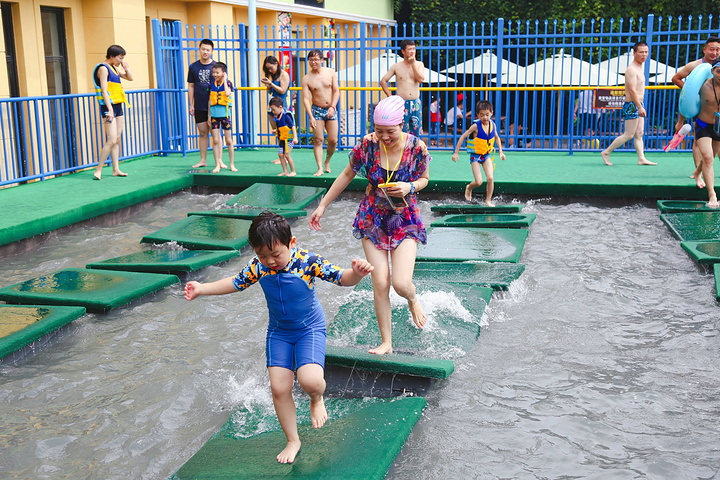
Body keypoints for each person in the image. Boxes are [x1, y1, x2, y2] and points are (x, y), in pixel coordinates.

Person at [184, 212, 373, 464]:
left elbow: (341, 278)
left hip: (309, 329)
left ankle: (317, 399)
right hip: (279, 332)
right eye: (263, 255)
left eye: (276, 255)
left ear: (291, 243)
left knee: (310, 381)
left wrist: (357, 273)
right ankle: (293, 440)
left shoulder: (307, 261)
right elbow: (235, 283)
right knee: (279, 388)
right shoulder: (258, 266)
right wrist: (201, 288)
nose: (270, 261)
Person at [309, 96, 430, 355]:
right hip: (372, 218)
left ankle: (412, 298)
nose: (384, 137)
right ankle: (387, 341)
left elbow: (425, 179)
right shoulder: (367, 145)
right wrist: (322, 205)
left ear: (402, 124)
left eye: (390, 131)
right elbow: (346, 174)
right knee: (380, 282)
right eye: (379, 131)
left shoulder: (415, 147)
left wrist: (410, 186)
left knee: (400, 283)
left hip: (404, 218)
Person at [672, 36, 720, 187]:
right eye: (711, 49)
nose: (714, 52)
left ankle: (699, 171)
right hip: (700, 108)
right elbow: (676, 78)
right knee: (698, 143)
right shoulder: (695, 66)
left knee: (711, 153)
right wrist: (695, 93)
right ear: (704, 49)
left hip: (716, 114)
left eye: (718, 49)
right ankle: (698, 176)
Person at [601, 41, 657, 166]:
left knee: (639, 133)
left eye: (646, 52)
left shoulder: (639, 67)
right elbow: (632, 90)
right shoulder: (631, 69)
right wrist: (639, 106)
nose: (644, 55)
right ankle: (606, 152)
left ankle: (641, 158)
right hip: (633, 105)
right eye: (641, 52)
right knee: (629, 134)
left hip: (638, 103)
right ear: (634, 53)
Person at [451, 100, 506, 206]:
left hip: (486, 155)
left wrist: (501, 152)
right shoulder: (475, 126)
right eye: (482, 115)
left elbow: (497, 138)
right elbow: (463, 136)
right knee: (479, 182)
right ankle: (469, 188)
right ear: (477, 115)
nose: (485, 118)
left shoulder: (492, 125)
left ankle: (488, 200)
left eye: (487, 115)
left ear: (491, 113)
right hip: (475, 157)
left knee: (490, 178)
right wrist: (456, 153)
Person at [92, 45, 132, 180]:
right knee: (112, 139)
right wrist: (109, 109)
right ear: (111, 56)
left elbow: (130, 78)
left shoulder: (114, 68)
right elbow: (104, 91)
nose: (121, 61)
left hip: (118, 105)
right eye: (120, 58)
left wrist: (126, 69)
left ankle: (116, 169)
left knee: (118, 139)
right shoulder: (103, 68)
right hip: (108, 107)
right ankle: (98, 170)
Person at [187, 39, 225, 171]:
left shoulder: (216, 67)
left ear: (212, 51)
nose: (205, 52)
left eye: (208, 50)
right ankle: (203, 160)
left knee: (216, 135)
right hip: (199, 105)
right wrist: (191, 104)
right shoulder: (193, 67)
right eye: (203, 49)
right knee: (202, 133)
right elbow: (191, 86)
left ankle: (219, 160)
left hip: (215, 106)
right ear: (199, 49)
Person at [301, 49, 340, 176]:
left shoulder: (330, 73)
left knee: (333, 140)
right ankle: (319, 168)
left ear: (322, 60)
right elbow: (306, 99)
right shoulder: (306, 78)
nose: (313, 62)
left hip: (331, 109)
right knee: (318, 140)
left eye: (316, 59)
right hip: (317, 110)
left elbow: (336, 91)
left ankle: (327, 160)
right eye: (311, 60)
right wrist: (310, 116)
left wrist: (333, 107)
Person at [689, 60, 720, 207]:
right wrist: (680, 121)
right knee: (708, 157)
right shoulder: (702, 86)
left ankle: (697, 172)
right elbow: (685, 101)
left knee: (711, 156)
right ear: (713, 71)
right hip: (703, 125)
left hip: (719, 127)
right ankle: (712, 194)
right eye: (718, 71)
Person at [380, 39, 425, 137]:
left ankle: (416, 151)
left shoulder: (419, 64)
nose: (412, 51)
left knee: (416, 130)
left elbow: (421, 79)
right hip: (401, 102)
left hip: (415, 102)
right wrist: (390, 96)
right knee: (401, 129)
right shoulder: (396, 66)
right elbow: (383, 81)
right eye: (409, 49)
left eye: (413, 49)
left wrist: (413, 64)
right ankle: (402, 151)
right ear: (403, 51)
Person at [207, 62, 237, 173]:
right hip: (215, 115)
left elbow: (228, 93)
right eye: (214, 72)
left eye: (217, 72)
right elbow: (209, 100)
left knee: (229, 140)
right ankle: (217, 164)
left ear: (223, 73)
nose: (215, 74)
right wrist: (209, 115)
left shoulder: (228, 83)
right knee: (215, 140)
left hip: (225, 115)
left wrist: (225, 80)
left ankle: (231, 164)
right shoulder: (211, 84)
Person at [261, 56, 291, 165]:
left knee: (283, 132)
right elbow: (271, 91)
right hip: (272, 106)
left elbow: (283, 90)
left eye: (271, 67)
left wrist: (271, 83)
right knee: (277, 132)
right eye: (267, 69)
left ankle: (285, 156)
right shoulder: (272, 76)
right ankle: (280, 156)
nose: (270, 70)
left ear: (276, 63)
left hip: (281, 106)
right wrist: (268, 85)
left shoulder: (284, 75)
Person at [269, 97, 298, 176]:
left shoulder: (286, 115)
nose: (273, 112)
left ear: (280, 107)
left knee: (287, 155)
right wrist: (276, 130)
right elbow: (281, 127)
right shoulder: (278, 117)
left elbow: (292, 126)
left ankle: (293, 171)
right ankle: (285, 171)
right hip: (282, 139)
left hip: (289, 139)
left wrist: (295, 137)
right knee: (280, 155)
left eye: (274, 110)